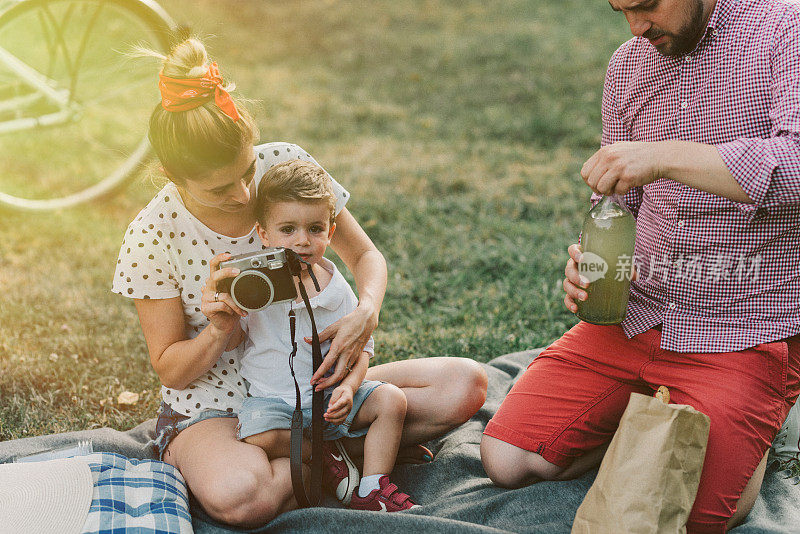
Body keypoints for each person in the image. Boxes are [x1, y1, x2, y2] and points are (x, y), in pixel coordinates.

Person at [112, 37, 486, 527]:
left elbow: (364, 254)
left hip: (314, 382)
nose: (245, 193)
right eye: (220, 188)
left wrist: (365, 312)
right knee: (239, 496)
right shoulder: (151, 234)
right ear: (170, 174)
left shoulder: (285, 165)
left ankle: (314, 456)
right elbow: (171, 371)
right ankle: (344, 459)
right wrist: (218, 330)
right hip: (220, 403)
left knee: (465, 385)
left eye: (247, 171)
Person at [480, 0, 800, 532]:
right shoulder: (629, 64)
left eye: (647, 5)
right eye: (621, 9)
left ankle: (754, 421)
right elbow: (618, 204)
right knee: (509, 461)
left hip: (743, 327)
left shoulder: (784, 27)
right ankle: (650, 420)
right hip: (640, 313)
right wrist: (588, 261)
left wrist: (661, 155)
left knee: (693, 512)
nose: (636, 26)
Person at [217, 159, 419, 511]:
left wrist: (349, 387)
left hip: (328, 398)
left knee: (392, 401)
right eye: (288, 230)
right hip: (275, 403)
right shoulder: (254, 287)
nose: (302, 241)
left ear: (331, 230)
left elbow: (362, 350)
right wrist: (227, 314)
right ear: (263, 233)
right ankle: (326, 455)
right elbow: (233, 343)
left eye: (314, 228)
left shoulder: (336, 288)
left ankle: (372, 486)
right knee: (256, 436)